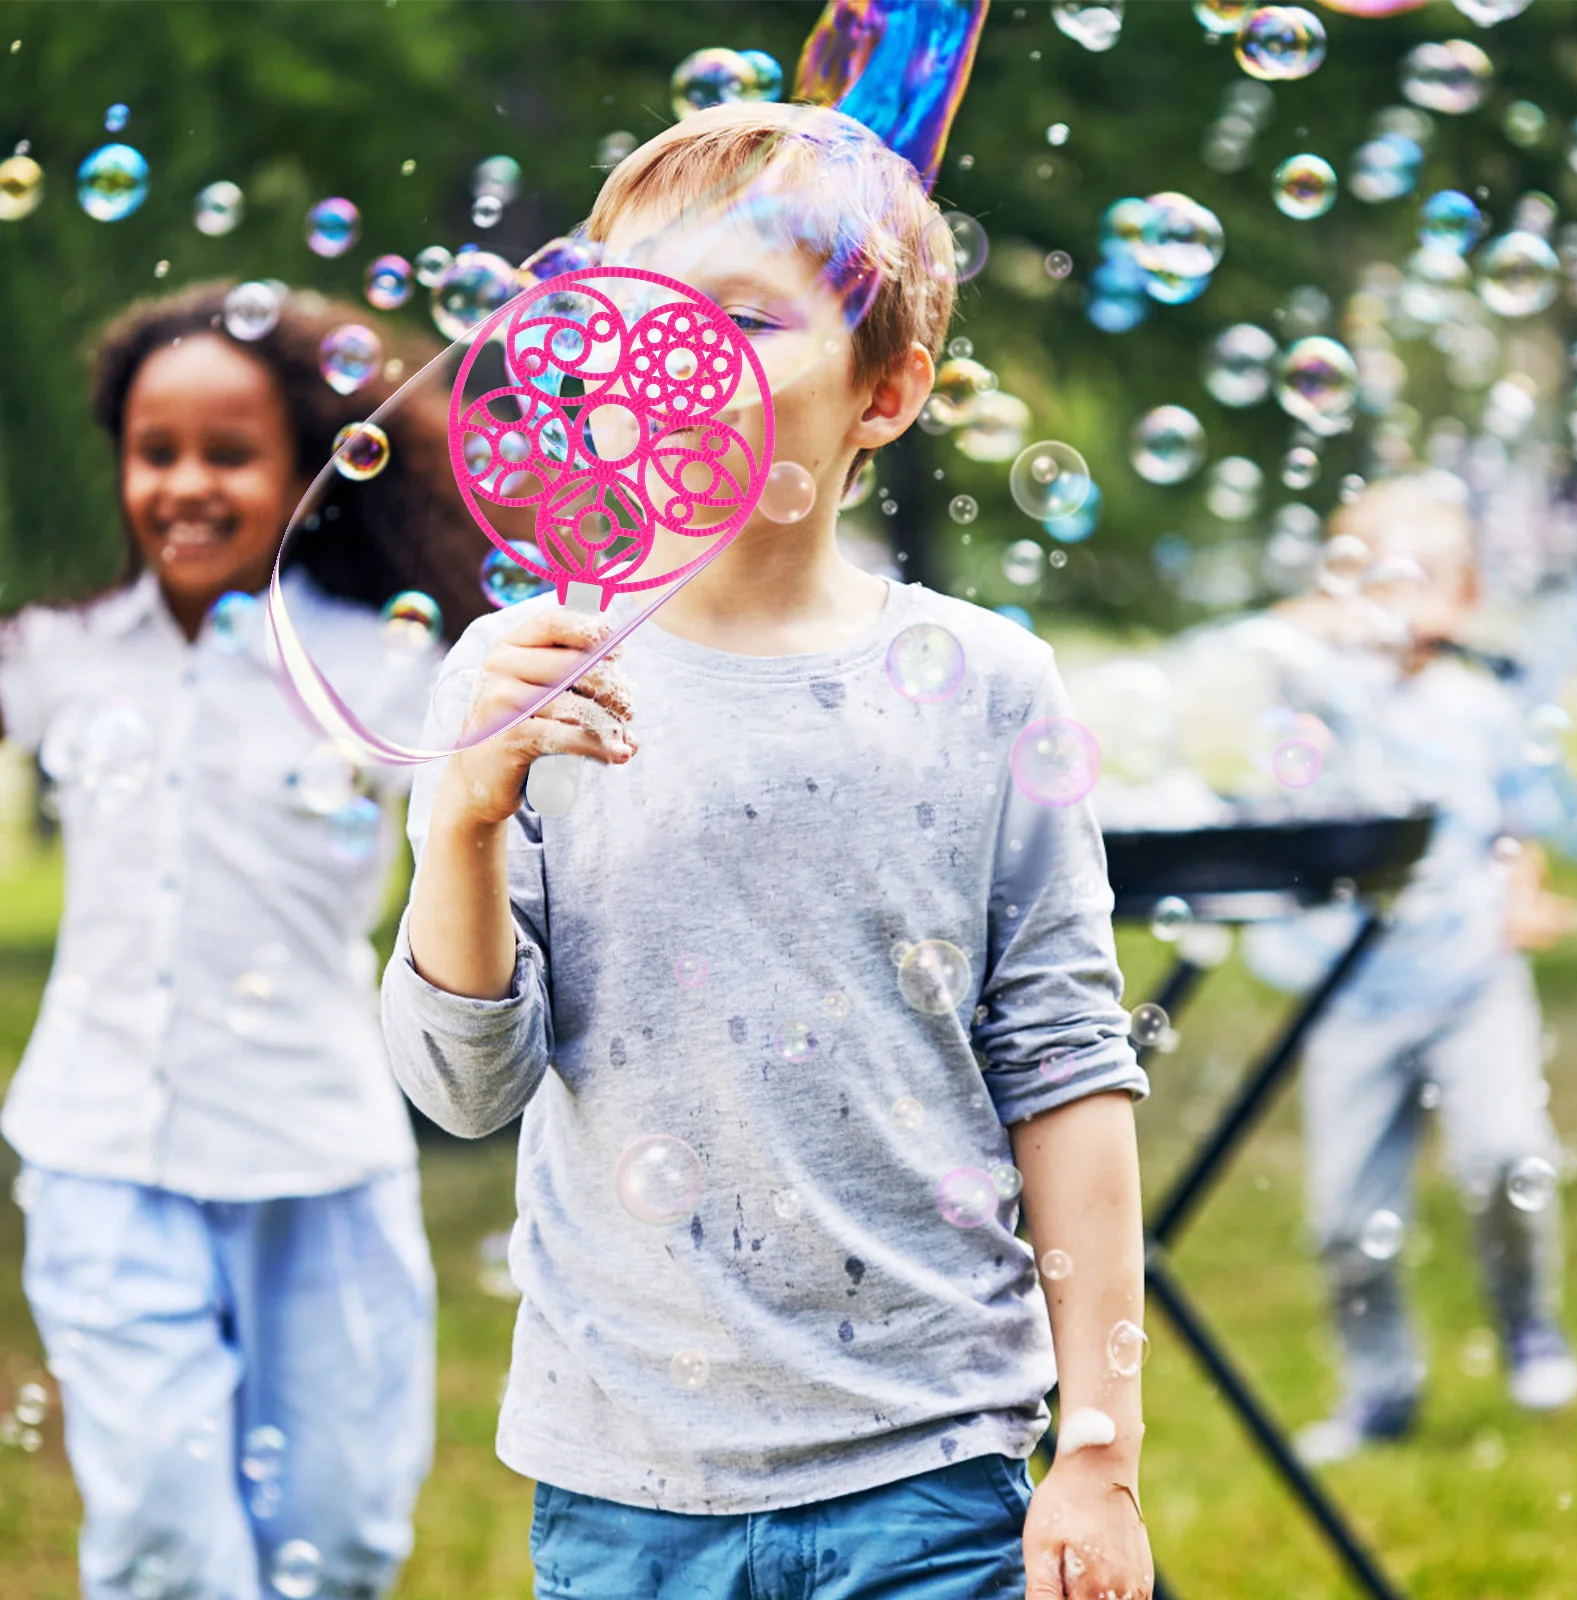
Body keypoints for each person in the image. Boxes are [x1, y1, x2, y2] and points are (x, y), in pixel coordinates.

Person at [381, 103, 1155, 1600]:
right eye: (635, 316)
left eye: (744, 316)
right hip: (627, 1483)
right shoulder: (528, 670)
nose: (674, 360)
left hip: (933, 1469)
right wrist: (460, 825)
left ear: (887, 393)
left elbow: (1065, 1069)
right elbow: (463, 1090)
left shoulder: (988, 683)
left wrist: (1099, 1452)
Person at [0, 280, 485, 1599]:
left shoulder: (390, 668)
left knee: (340, 1538)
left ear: (310, 474)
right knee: (168, 1543)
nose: (186, 487)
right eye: (157, 453)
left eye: (231, 453)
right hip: (101, 1156)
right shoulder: (52, 653)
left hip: (317, 1160)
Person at [1263, 472, 1577, 1467]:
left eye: (1425, 581)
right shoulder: (1318, 687)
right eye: (1378, 579)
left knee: (1508, 1160)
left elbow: (1511, 823)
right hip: (1350, 990)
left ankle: (1529, 1322)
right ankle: (1378, 1388)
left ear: (1463, 597)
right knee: (1345, 1220)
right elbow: (1262, 654)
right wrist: (1335, 623)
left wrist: (1521, 894)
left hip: (1468, 976)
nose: (1400, 603)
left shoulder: (1477, 704)